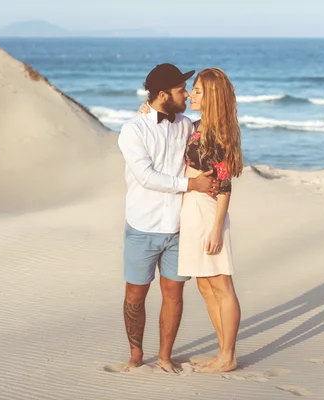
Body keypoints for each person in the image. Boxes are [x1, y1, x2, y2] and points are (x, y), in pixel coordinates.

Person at [113, 63, 218, 374]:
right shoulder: (133, 130)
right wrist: (192, 184)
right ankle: (135, 355)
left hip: (177, 227)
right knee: (135, 294)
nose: (186, 94)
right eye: (180, 90)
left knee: (174, 294)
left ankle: (164, 357)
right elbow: (146, 177)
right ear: (162, 94)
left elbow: (216, 121)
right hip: (142, 226)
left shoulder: (186, 124)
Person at [139, 68, 244, 373]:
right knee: (205, 286)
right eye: (191, 90)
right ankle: (222, 351)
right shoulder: (197, 127)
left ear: (211, 96)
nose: (191, 95)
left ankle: (228, 355)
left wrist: (216, 230)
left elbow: (224, 186)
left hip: (208, 211)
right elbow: (165, 124)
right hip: (192, 210)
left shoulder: (218, 133)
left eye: (197, 90)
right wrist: (146, 111)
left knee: (221, 284)